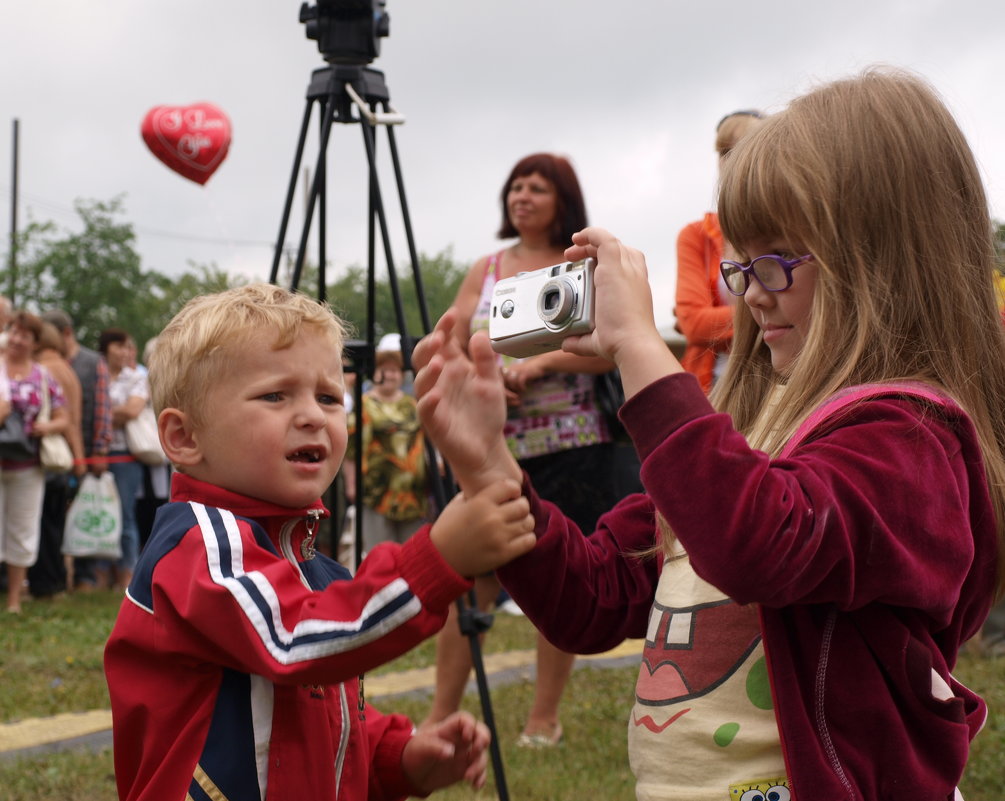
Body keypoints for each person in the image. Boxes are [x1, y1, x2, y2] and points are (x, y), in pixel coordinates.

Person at [412, 69, 1005, 799]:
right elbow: (592, 601)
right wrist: (490, 466)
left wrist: (639, 349)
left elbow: (758, 542)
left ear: (882, 257)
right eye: (741, 263)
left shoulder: (910, 437)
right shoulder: (743, 435)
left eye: (779, 259)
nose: (750, 292)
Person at [103, 283, 537, 801]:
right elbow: (293, 643)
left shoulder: (320, 576)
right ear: (184, 438)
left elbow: (319, 714)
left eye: (330, 397)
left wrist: (398, 758)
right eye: (274, 395)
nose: (313, 415)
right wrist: (436, 561)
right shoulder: (198, 544)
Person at [422, 152, 639, 747]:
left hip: (574, 443)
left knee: (561, 569)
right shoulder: (487, 267)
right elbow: (457, 336)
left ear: (561, 199)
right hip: (498, 444)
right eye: (515, 186)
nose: (522, 196)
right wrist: (482, 377)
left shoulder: (581, 264)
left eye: (537, 188)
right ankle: (439, 714)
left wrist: (537, 365)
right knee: (472, 575)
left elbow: (610, 347)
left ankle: (543, 717)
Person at [674, 109, 765, 393]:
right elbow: (694, 325)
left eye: (746, 149)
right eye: (725, 151)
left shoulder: (795, 227)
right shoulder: (695, 235)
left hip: (781, 382)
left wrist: (716, 322)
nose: (733, 161)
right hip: (713, 386)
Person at [1, 311, 70, 613]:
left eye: (24, 335)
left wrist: (49, 427)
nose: (17, 339)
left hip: (28, 465)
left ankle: (15, 599)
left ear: (35, 342)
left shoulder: (43, 376)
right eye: (13, 332)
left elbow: (63, 416)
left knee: (23, 529)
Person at [41, 309, 112, 590]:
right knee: (55, 516)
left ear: (65, 333)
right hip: (55, 453)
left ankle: (83, 575)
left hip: (82, 452)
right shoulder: (47, 362)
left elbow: (102, 410)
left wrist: (99, 451)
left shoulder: (93, 362)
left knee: (83, 514)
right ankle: (57, 573)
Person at [344, 333, 428, 554]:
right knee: (380, 555)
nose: (389, 374)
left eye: (394, 370)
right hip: (377, 494)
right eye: (384, 369)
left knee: (413, 555)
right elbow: (350, 449)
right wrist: (351, 484)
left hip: (413, 497)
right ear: (375, 372)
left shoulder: (412, 405)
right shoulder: (365, 405)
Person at [27, 321, 85, 599]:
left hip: (49, 456)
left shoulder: (43, 370)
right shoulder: (66, 368)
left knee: (43, 523)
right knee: (55, 522)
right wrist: (79, 458)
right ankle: (58, 581)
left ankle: (46, 583)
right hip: (66, 456)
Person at [99, 328, 149, 590]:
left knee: (126, 514)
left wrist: (102, 413)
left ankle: (127, 574)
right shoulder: (98, 375)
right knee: (99, 510)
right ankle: (99, 573)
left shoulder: (137, 377)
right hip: (97, 452)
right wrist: (113, 414)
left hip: (126, 455)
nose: (123, 351)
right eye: (118, 345)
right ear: (106, 348)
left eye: (126, 346)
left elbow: (132, 410)